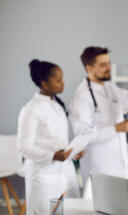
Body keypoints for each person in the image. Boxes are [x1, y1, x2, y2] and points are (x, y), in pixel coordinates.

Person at [68, 46, 128, 193]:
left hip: (121, 164)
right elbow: (83, 134)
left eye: (109, 63)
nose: (108, 68)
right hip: (99, 166)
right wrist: (116, 128)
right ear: (89, 68)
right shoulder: (81, 97)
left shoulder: (110, 88)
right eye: (103, 65)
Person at [17, 59, 83, 215]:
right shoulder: (30, 109)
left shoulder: (58, 105)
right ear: (45, 84)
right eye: (58, 80)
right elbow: (23, 147)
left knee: (72, 211)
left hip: (65, 172)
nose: (63, 83)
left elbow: (57, 141)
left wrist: (73, 153)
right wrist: (53, 156)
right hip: (42, 176)